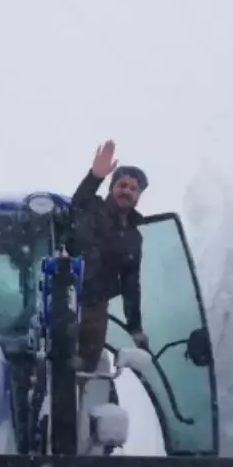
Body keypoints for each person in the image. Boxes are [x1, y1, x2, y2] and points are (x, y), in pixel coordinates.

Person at [69, 139, 150, 372]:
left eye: (133, 189)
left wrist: (135, 328)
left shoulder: (134, 238)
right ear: (112, 187)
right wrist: (95, 176)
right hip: (65, 300)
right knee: (59, 363)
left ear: (138, 197)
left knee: (87, 368)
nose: (126, 191)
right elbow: (78, 203)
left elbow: (130, 284)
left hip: (96, 309)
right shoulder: (91, 209)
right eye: (122, 185)